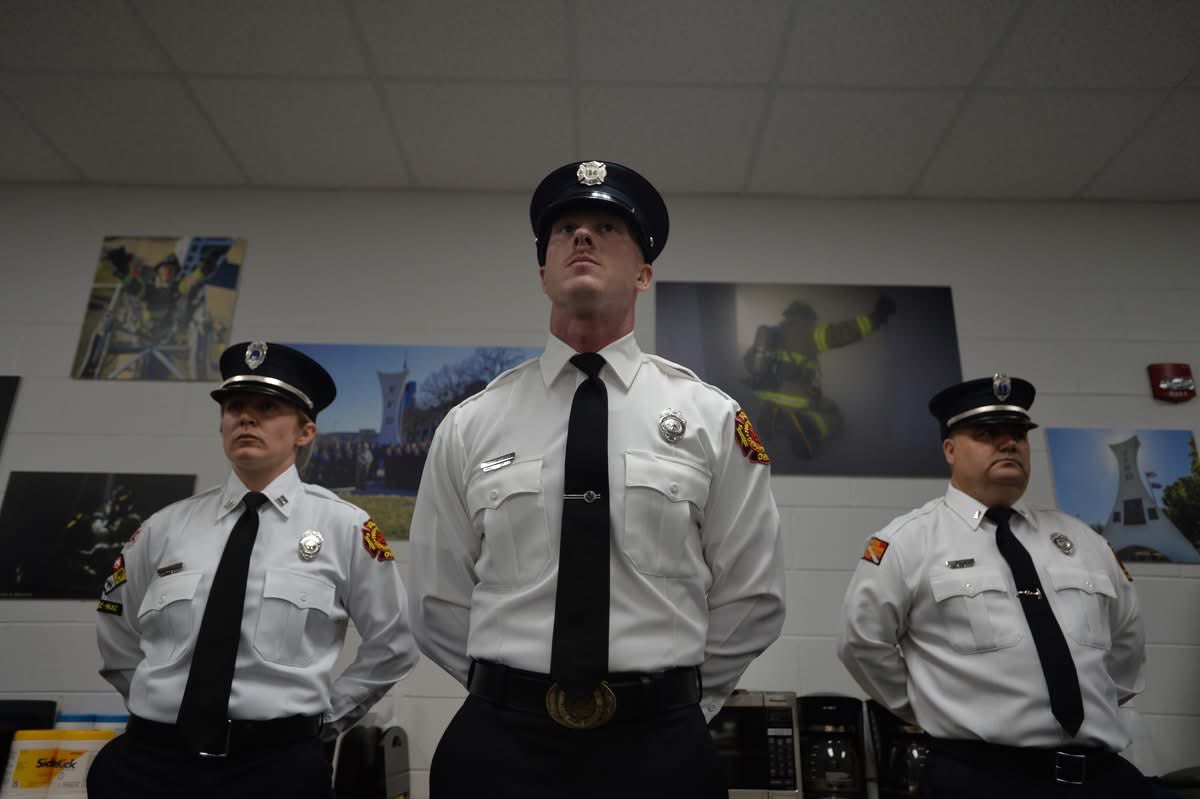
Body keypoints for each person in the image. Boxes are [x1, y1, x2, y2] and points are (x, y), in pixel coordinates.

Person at [408, 160, 786, 798]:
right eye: (564, 230)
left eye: (607, 226)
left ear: (643, 273)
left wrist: (678, 703)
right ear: (542, 273)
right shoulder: (472, 424)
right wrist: (510, 694)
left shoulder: (710, 418)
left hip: (658, 748)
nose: (581, 237)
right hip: (501, 747)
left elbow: (752, 594)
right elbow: (435, 599)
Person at [90, 341, 419, 799]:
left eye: (267, 407)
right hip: (150, 764)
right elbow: (116, 631)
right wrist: (160, 709)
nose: (245, 417)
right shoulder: (164, 528)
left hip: (272, 771)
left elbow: (394, 645)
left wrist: (323, 721)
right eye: (234, 407)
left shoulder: (344, 527)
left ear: (305, 432)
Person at [837, 373, 1149, 798]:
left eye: (1018, 434)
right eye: (987, 433)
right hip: (980, 778)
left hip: (1101, 778)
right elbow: (861, 643)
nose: (1009, 444)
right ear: (950, 450)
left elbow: (1126, 644)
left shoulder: (1084, 541)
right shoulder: (909, 541)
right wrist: (930, 707)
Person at [743, 294, 895, 458]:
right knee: (834, 414)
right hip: (796, 399)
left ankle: (772, 420)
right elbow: (844, 332)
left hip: (767, 397)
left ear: (788, 315)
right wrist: (876, 318)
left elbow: (748, 362)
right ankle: (809, 428)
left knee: (777, 407)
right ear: (808, 317)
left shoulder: (771, 336)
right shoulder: (809, 333)